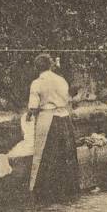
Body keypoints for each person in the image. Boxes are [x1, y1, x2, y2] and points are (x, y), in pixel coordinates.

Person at [27, 54, 79, 203]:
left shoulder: (37, 83)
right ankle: (68, 190)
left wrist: (29, 115)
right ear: (50, 66)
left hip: (48, 119)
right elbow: (67, 99)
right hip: (64, 118)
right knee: (66, 154)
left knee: (46, 154)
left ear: (37, 67)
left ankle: (45, 193)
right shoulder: (61, 80)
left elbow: (33, 106)